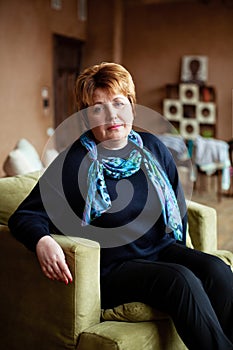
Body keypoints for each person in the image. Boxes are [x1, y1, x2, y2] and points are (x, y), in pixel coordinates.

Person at [9, 62, 233, 350]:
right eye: (98, 108)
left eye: (118, 103)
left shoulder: (153, 147)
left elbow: (176, 209)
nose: (112, 115)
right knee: (181, 280)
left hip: (159, 249)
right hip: (112, 267)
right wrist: (42, 240)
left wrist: (182, 253)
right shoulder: (74, 162)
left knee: (217, 270)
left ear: (131, 106)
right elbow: (25, 215)